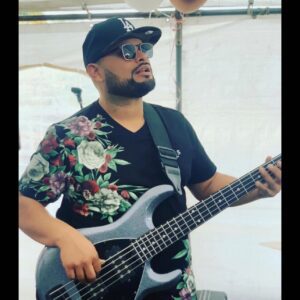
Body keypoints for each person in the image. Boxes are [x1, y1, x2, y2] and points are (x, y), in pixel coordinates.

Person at [19, 17, 281, 300]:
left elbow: (207, 186)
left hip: (174, 289)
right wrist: (65, 237)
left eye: (143, 48)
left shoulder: (174, 124)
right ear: (95, 71)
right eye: (127, 51)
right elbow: (25, 204)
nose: (141, 55)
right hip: (93, 289)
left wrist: (258, 187)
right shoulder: (67, 135)